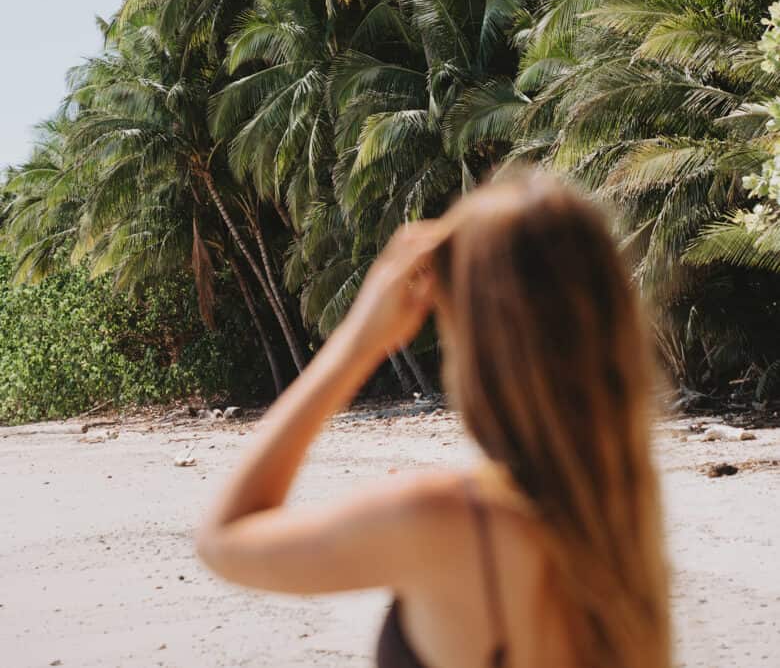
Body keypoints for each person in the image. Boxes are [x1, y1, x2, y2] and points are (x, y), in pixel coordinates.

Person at [197, 172, 670, 668]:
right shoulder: (620, 516)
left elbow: (222, 540)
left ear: (482, 342)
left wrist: (357, 343)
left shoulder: (451, 520)